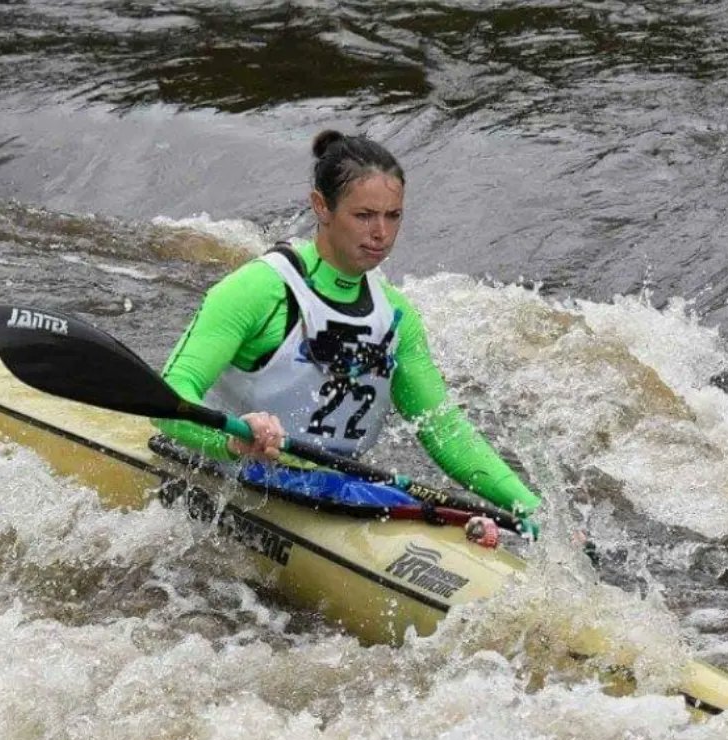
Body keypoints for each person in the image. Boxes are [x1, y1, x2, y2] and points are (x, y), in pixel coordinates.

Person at [152, 129, 541, 527]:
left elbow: (444, 429)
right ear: (321, 207)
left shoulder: (395, 315)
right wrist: (231, 441)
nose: (381, 234)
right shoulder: (259, 290)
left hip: (334, 488)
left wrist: (526, 505)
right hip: (233, 469)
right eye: (364, 215)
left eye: (393, 216)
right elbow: (167, 401)